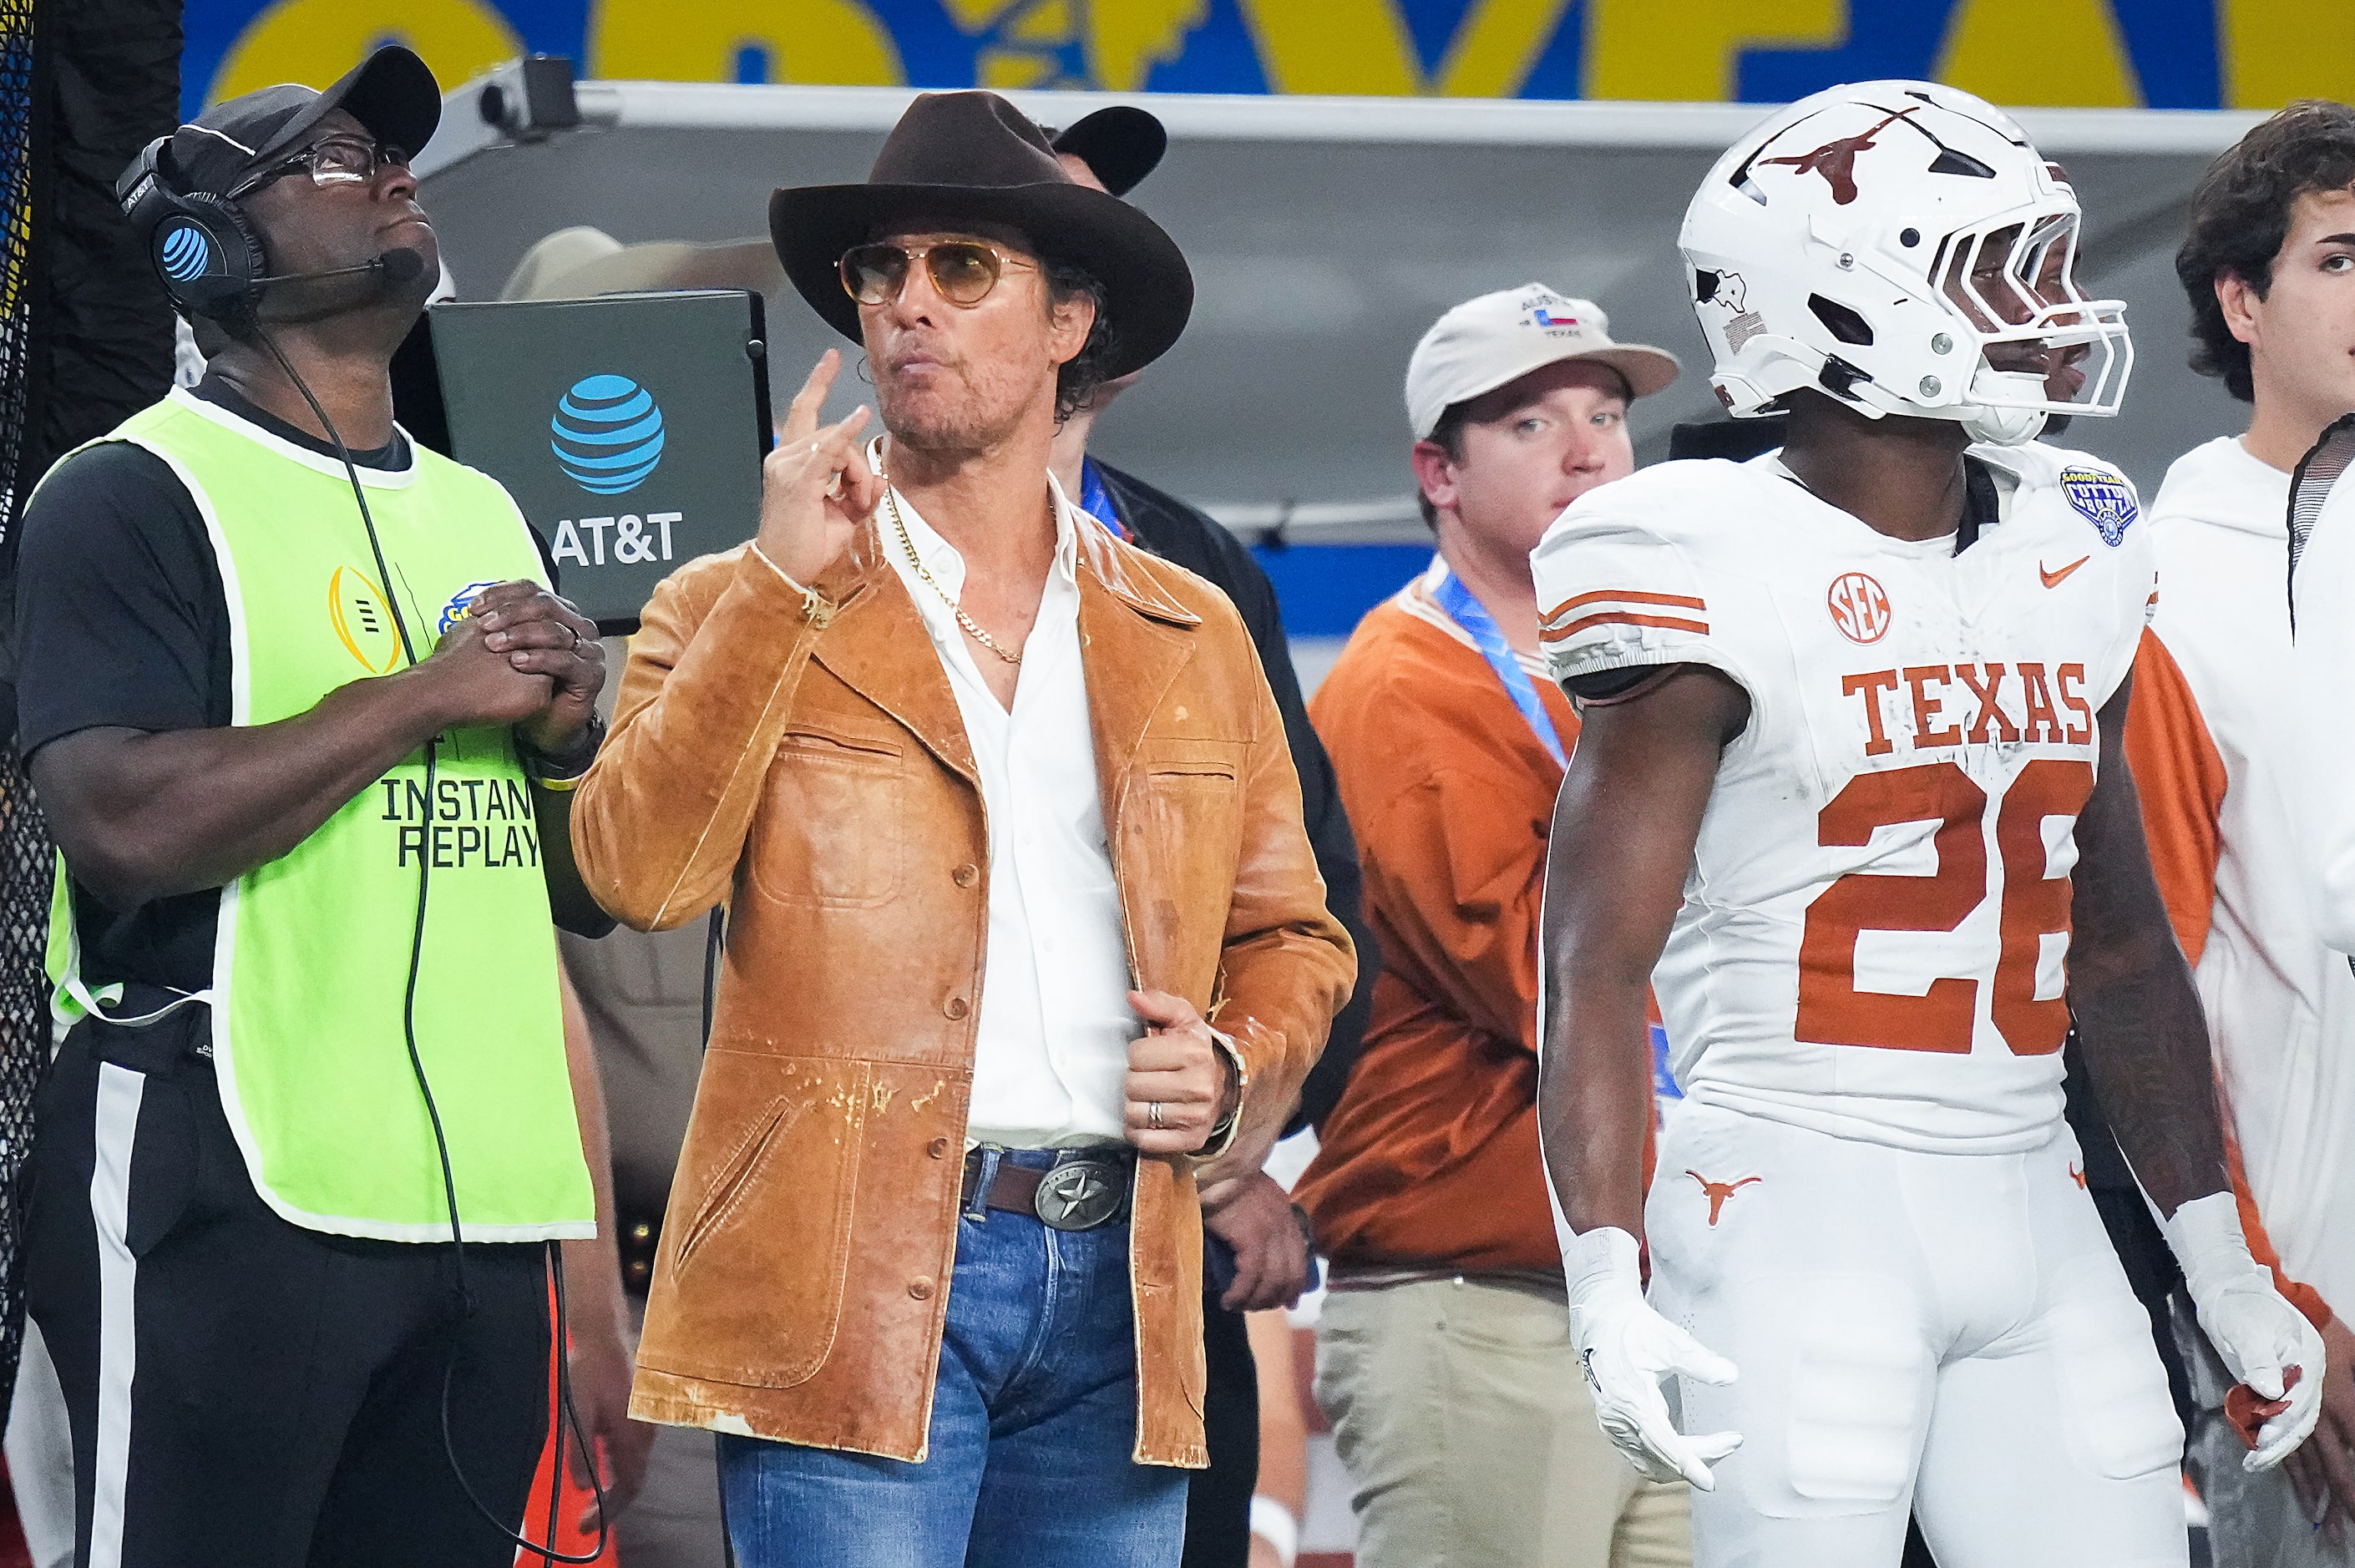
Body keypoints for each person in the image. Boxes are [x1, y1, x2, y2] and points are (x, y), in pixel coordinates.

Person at [1532, 79, 2325, 1568]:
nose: (2050, 306)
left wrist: (2216, 1254)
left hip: (2035, 1182)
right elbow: (1593, 967)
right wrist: (1602, 1264)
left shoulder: (2071, 530)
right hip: (1794, 1194)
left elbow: (2121, 941)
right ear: (1840, 302)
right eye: (1998, 268)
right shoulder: (1699, 553)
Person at [570, 90, 1355, 1568]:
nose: (909, 304)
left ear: (1072, 324)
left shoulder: (1185, 623)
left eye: (963, 269)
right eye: (884, 272)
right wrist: (780, 596)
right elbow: (634, 869)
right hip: (849, 1277)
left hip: (1124, 1277)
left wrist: (1236, 1060)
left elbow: (1294, 932)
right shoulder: (726, 600)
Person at [10, 47, 635, 1567]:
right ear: (206, 246)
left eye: (397, 157)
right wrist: (426, 693)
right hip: (226, 1183)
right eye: (345, 161)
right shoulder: (125, 489)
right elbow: (122, 823)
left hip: (476, 1217)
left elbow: (572, 889)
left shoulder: (483, 507)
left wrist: (562, 742)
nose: (399, 178)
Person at [1291, 282, 1689, 1568]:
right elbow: (1545, 977)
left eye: (1608, 414)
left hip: (1660, 1297)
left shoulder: (1645, 674)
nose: (1589, 450)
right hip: (1488, 1304)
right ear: (1437, 473)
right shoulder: (1408, 679)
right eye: (1530, 423)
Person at [1042, 104, 1377, 1568]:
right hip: (911, 1246)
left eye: (1107, 242)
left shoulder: (1191, 560)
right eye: (1051, 237)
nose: (1088, 272)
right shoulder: (815, 542)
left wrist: (1246, 1144)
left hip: (1166, 1243)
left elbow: (1306, 892)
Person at [2152, 100, 2355, 1563]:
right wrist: (2263, 1289)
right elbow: (2137, 974)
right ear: (2243, 299)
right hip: (2305, 1304)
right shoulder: (2157, 580)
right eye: (2342, 259)